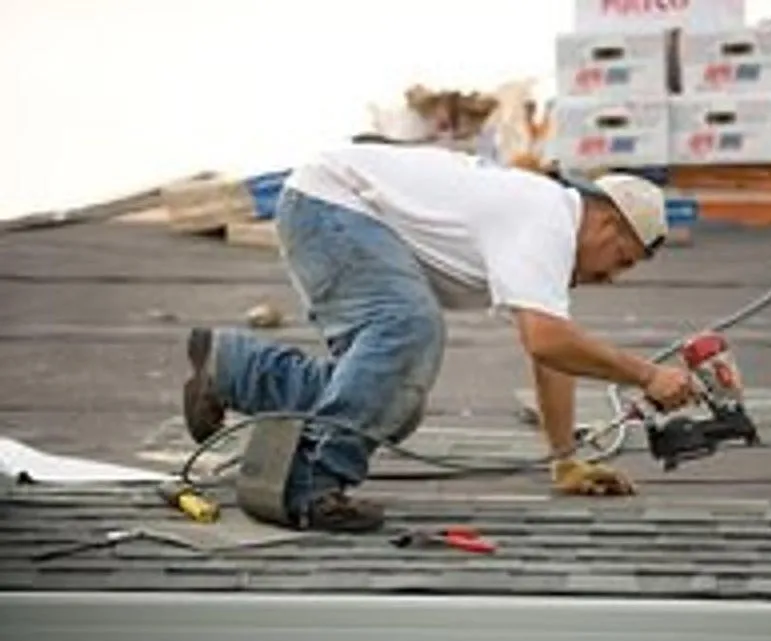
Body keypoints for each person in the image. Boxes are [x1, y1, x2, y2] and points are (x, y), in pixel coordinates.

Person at [182, 143, 695, 533]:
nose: (609, 278)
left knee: (392, 406)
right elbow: (547, 340)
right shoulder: (549, 219)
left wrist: (565, 462)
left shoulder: (547, 224)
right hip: (332, 203)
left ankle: (233, 368)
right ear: (607, 223)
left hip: (327, 208)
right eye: (620, 261)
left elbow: (552, 354)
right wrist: (647, 375)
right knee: (410, 329)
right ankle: (309, 484)